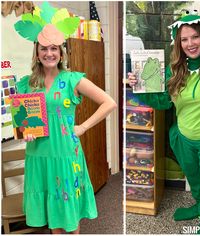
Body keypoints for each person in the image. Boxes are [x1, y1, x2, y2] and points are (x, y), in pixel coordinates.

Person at [14, 2, 117, 234]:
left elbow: (109, 103)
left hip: (64, 153)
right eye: (44, 48)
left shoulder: (72, 80)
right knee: (53, 219)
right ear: (37, 51)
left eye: (54, 48)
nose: (49, 53)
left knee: (68, 218)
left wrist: (83, 127)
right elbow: (24, 124)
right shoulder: (27, 83)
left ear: (61, 52)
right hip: (38, 155)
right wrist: (25, 132)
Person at [128, 13, 200, 232]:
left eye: (195, 37)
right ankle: (199, 205)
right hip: (185, 138)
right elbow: (163, 102)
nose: (190, 44)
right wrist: (140, 86)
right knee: (195, 179)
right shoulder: (173, 70)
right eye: (184, 39)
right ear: (178, 43)